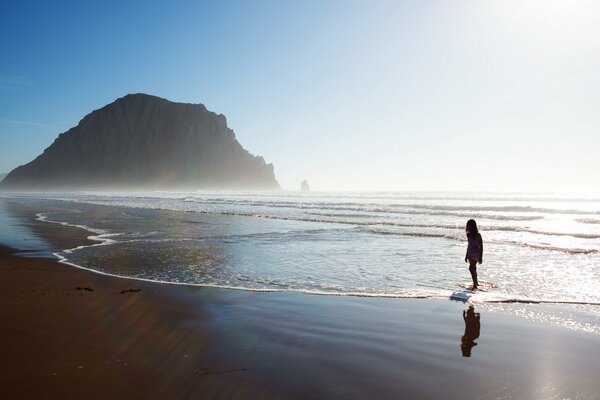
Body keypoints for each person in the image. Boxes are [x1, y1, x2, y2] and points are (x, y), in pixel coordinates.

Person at [464, 219, 483, 289]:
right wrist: (466, 256)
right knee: (473, 268)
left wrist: (481, 257)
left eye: (470, 226)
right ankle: (476, 282)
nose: (468, 227)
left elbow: (481, 246)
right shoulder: (469, 235)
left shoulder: (478, 235)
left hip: (476, 254)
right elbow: (469, 246)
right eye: (467, 226)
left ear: (473, 226)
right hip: (470, 254)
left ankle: (475, 284)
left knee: (471, 268)